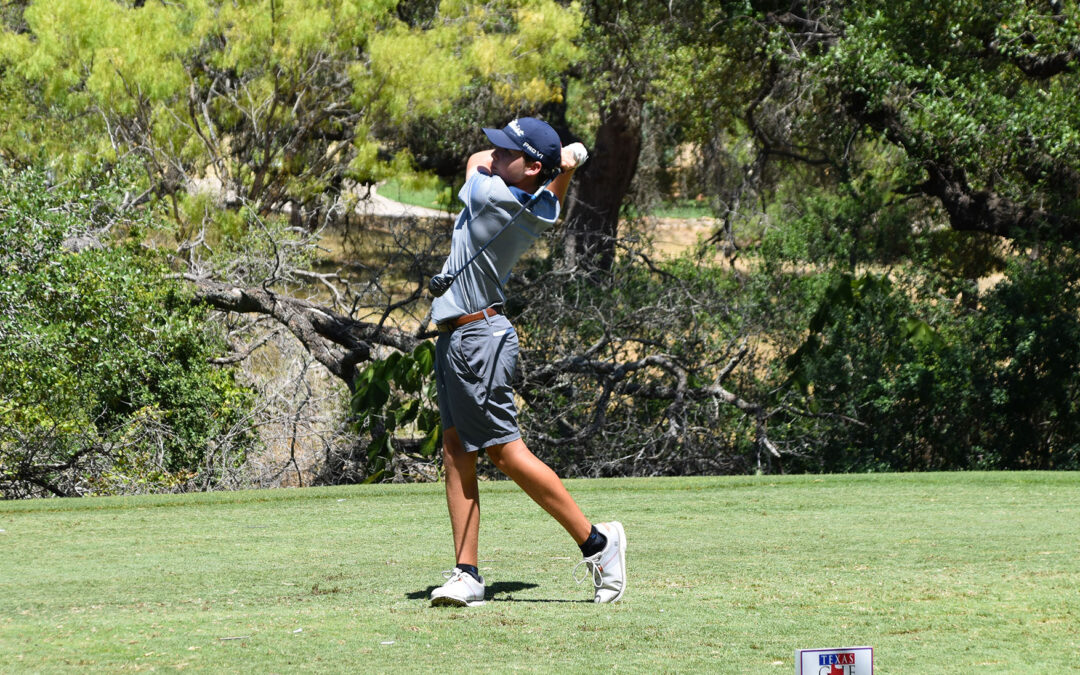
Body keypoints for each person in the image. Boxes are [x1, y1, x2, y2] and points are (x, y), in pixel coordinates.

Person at [427, 117, 626, 607]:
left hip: (478, 338)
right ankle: (467, 573)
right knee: (457, 451)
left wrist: (562, 162)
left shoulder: (490, 197)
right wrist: (566, 166)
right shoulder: (538, 204)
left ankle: (598, 544)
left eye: (505, 154)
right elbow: (553, 192)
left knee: (503, 452)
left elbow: (474, 163)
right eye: (496, 150)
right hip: (461, 337)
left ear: (533, 166)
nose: (493, 157)